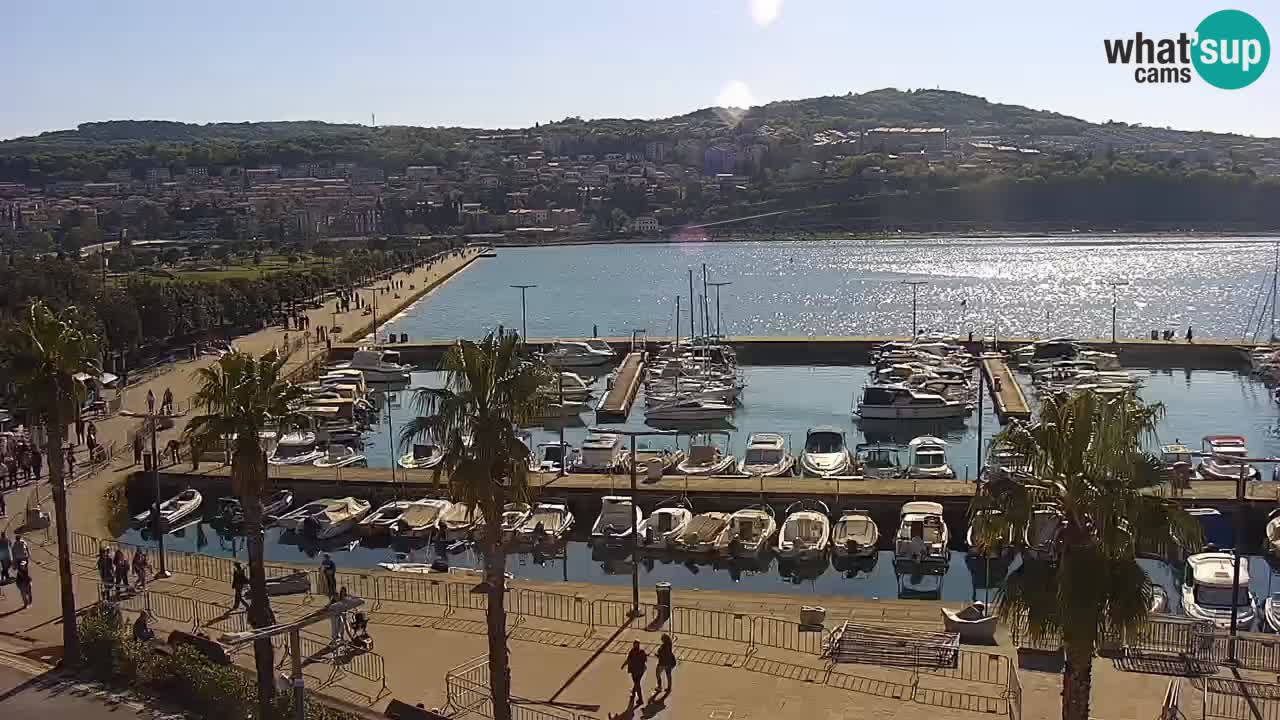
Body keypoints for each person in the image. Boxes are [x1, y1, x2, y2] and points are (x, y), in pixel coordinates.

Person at [622, 641, 647, 705]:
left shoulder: (632, 652)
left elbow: (628, 660)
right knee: (637, 682)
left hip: (635, 671)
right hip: (641, 670)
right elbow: (645, 660)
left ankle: (640, 699)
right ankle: (633, 691)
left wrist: (624, 665)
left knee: (637, 684)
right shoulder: (641, 651)